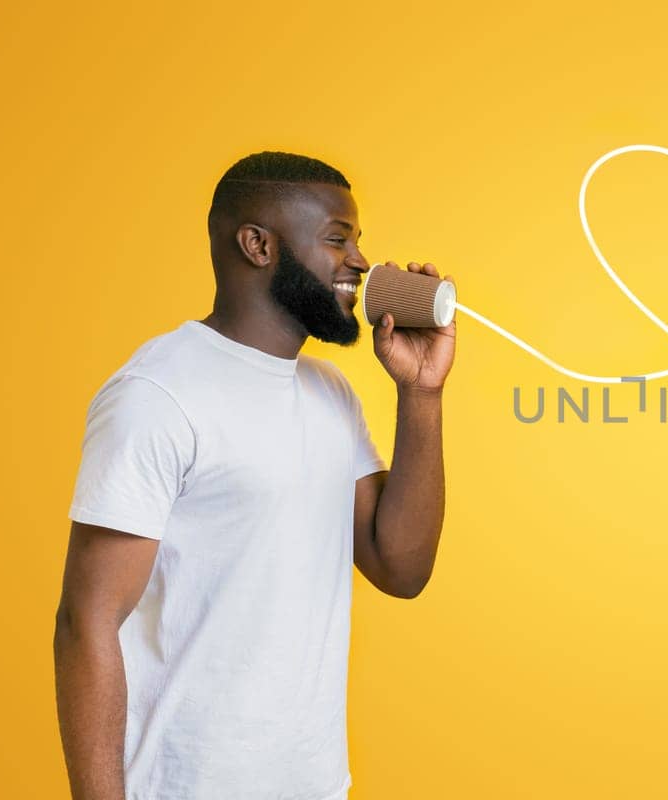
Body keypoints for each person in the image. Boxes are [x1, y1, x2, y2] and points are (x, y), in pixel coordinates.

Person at [53, 151, 457, 799]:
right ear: (257, 245)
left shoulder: (330, 393)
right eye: (337, 238)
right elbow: (86, 622)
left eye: (359, 241)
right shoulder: (158, 394)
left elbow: (400, 569)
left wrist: (422, 395)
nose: (360, 261)